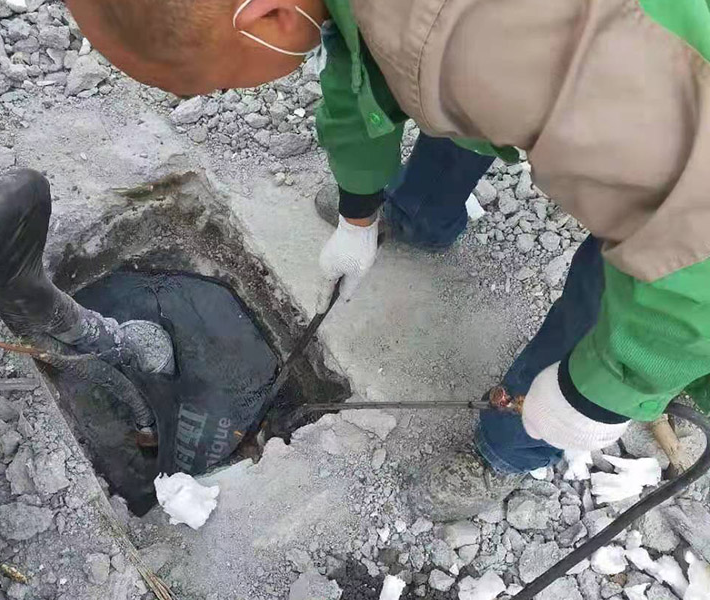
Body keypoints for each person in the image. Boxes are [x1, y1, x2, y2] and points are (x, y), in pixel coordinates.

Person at [65, 0, 710, 514]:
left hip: (688, 165)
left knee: (621, 277)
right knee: (454, 90)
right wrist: (359, 210)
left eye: (224, 82)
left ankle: (511, 445)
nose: (230, 90)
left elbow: (691, 242)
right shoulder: (411, 32)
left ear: (268, 15)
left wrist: (605, 391)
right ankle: (421, 213)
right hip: (500, 62)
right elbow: (359, 60)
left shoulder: (489, 45)